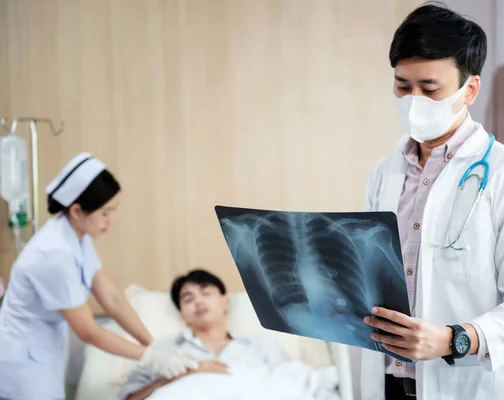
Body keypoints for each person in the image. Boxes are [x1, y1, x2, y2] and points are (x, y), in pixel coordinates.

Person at [359, 3, 504, 400]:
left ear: (469, 89)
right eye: (402, 85)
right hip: (387, 383)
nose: (413, 100)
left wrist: (453, 340)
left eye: (430, 89)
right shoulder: (384, 174)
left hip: (467, 386)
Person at [0, 153, 202, 400]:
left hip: (41, 355)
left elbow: (112, 299)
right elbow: (88, 331)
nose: (111, 221)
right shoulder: (51, 254)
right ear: (76, 210)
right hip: (21, 366)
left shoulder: (77, 238)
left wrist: (153, 344)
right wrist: (148, 357)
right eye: (105, 213)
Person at [118, 269, 288, 400]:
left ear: (225, 301)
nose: (198, 301)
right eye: (188, 299)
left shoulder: (262, 345)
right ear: (182, 315)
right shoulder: (164, 351)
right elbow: (130, 398)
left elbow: (292, 388)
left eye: (205, 293)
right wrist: (182, 374)